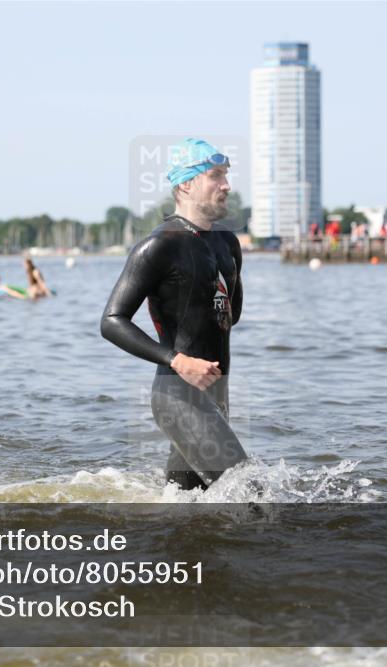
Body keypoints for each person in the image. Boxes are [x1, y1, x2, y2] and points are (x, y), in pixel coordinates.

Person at [101, 138, 247, 491]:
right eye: (215, 175)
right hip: (178, 394)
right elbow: (112, 321)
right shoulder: (159, 245)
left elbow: (229, 316)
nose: (226, 185)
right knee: (251, 493)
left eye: (226, 174)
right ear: (186, 183)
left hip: (216, 391)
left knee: (186, 507)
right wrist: (178, 360)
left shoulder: (227, 243)